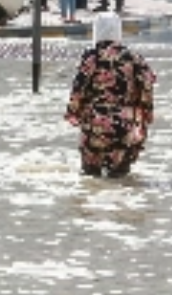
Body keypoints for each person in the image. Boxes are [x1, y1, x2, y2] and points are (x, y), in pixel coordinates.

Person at [65, 12, 157, 178]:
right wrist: (146, 113)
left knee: (90, 180)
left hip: (94, 126)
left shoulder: (92, 57)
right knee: (121, 182)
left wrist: (73, 112)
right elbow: (147, 84)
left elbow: (78, 89)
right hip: (124, 127)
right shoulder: (133, 58)